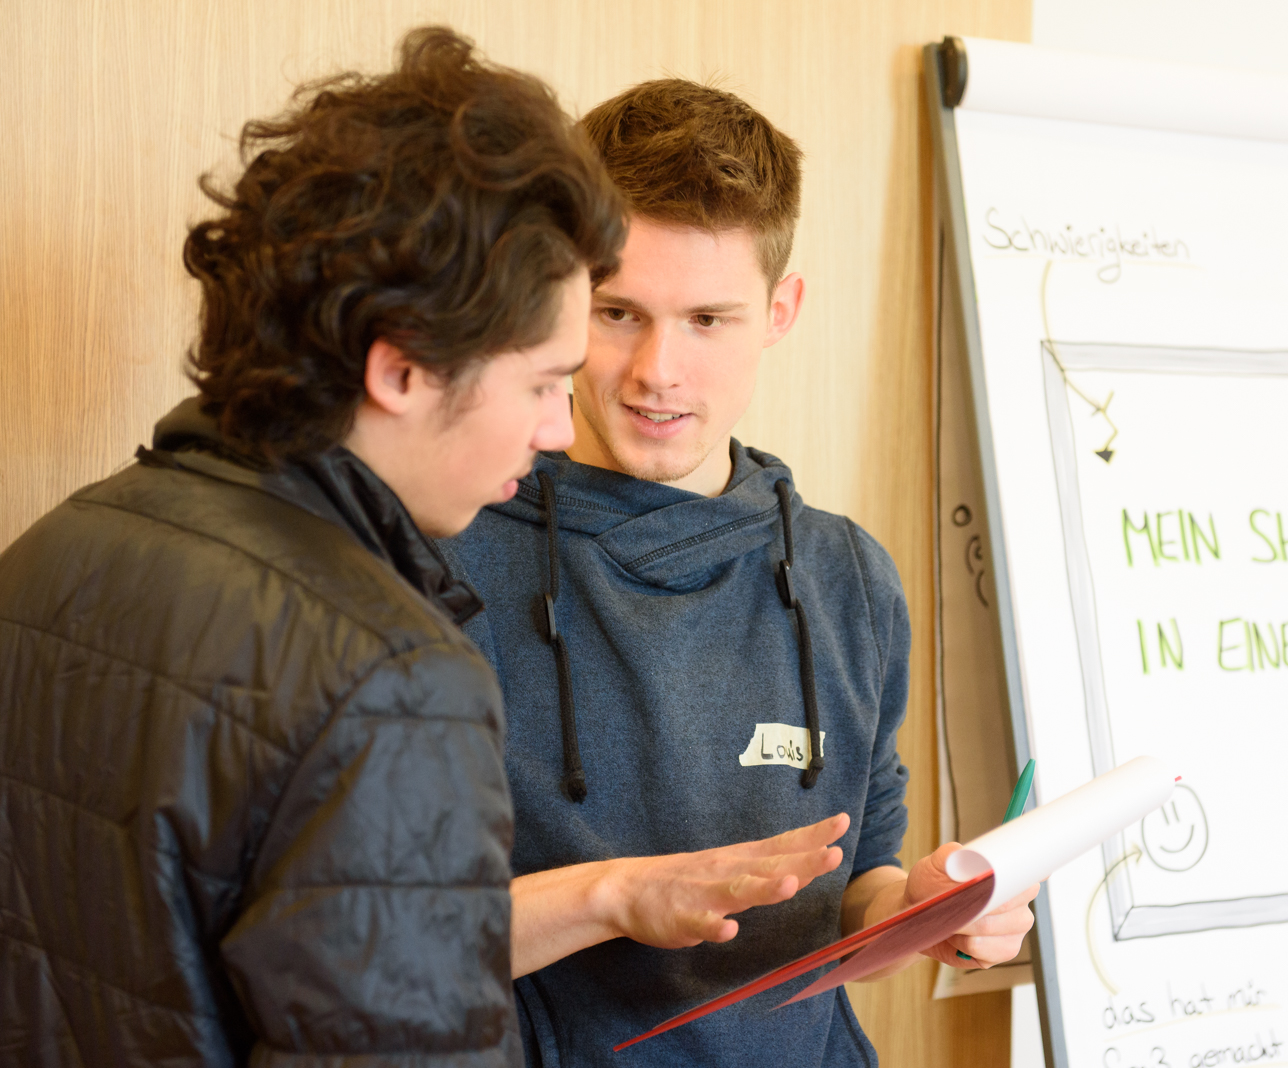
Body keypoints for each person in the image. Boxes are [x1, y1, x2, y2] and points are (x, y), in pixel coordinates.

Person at [0, 28, 624, 1066]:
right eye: (542, 383)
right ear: (403, 371)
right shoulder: (393, 679)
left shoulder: (50, 553)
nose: (559, 430)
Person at [440, 79, 1038, 1066]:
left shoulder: (848, 576)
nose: (657, 372)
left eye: (708, 319)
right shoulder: (452, 551)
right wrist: (615, 899)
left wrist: (925, 908)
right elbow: (382, 946)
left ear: (779, 310)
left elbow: (854, 896)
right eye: (618, 311)